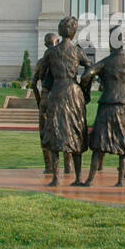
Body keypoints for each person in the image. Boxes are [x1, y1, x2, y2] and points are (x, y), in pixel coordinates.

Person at [79, 25, 125, 187]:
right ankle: (120, 180)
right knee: (124, 144)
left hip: (108, 105)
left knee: (99, 144)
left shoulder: (105, 63)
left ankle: (90, 180)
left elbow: (86, 76)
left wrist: (87, 92)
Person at [33, 16, 90, 186]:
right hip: (74, 92)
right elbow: (89, 69)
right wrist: (83, 88)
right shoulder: (78, 51)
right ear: (73, 33)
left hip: (57, 91)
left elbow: (41, 75)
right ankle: (78, 178)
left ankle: (56, 178)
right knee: (77, 131)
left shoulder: (50, 52)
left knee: (55, 131)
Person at [30, 33, 60, 179]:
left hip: (45, 97)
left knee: (44, 133)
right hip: (59, 98)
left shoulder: (42, 61)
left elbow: (33, 83)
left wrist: (38, 100)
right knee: (63, 131)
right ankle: (68, 167)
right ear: (58, 42)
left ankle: (49, 167)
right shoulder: (61, 61)